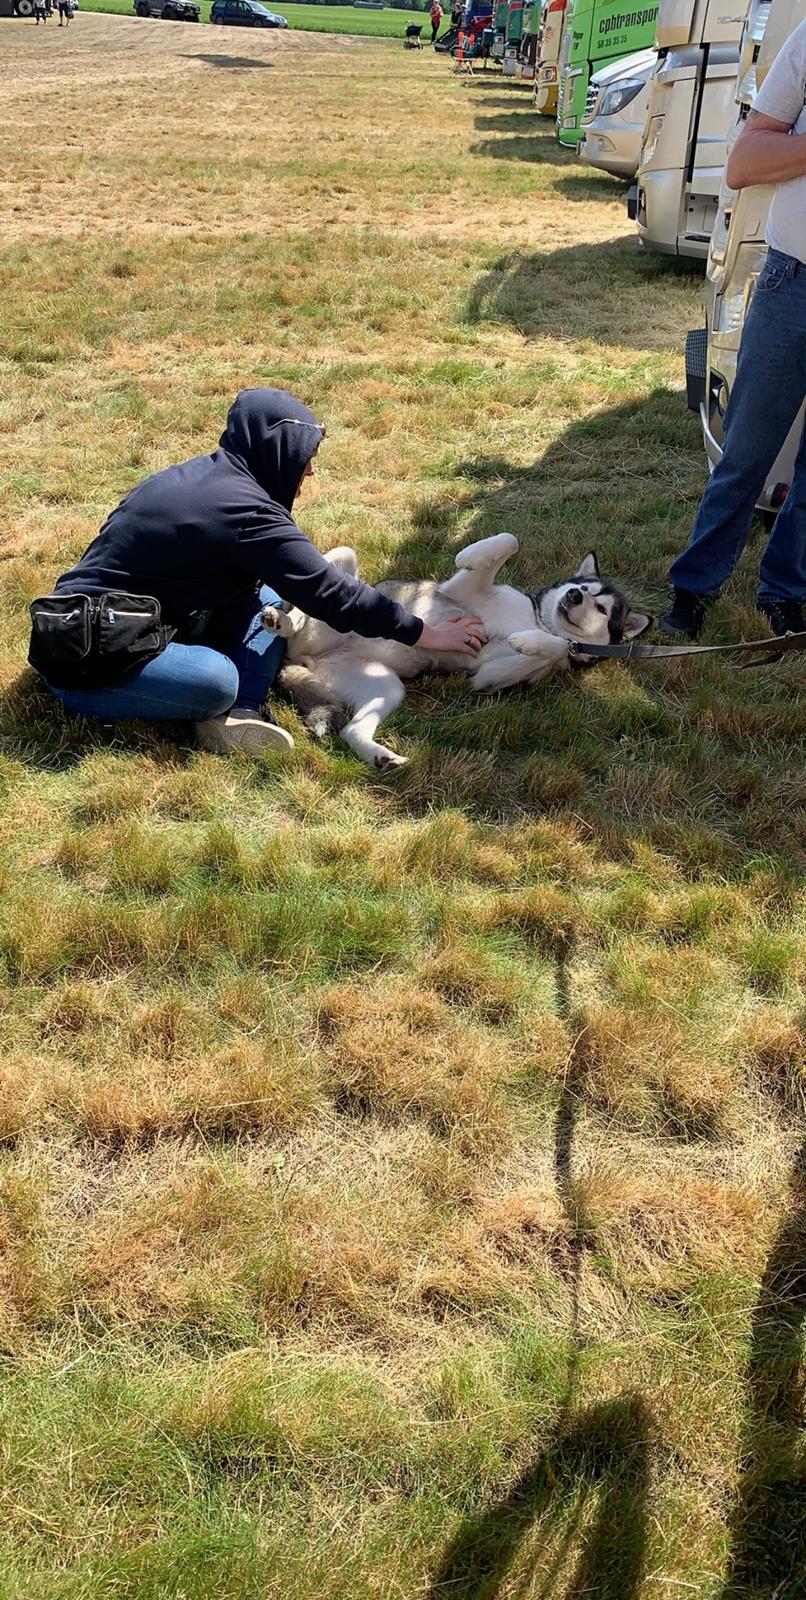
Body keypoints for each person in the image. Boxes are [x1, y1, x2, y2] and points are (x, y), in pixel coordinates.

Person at [34, 388, 486, 756]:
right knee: (216, 681)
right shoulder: (247, 512)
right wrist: (426, 633)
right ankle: (217, 704)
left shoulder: (206, 478)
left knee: (270, 598)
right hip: (90, 655)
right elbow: (333, 593)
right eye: (305, 455)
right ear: (277, 448)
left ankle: (241, 714)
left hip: (138, 618)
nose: (310, 471)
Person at [661, 18, 806, 640]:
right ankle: (693, 590)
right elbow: (744, 163)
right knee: (747, 452)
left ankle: (787, 594)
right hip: (795, 279)